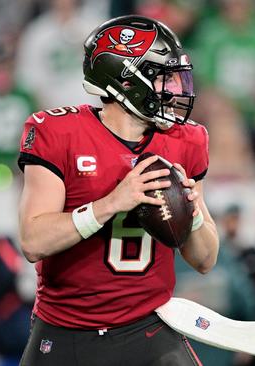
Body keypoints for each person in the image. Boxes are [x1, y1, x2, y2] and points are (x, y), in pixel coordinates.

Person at [16, 15, 219, 365]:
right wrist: (110, 204)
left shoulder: (186, 141)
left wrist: (193, 213)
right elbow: (33, 241)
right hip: (66, 333)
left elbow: (205, 260)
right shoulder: (58, 132)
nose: (174, 89)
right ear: (126, 81)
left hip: (150, 330)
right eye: (163, 77)